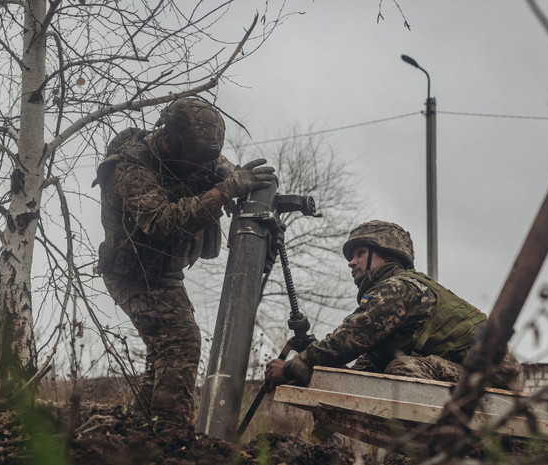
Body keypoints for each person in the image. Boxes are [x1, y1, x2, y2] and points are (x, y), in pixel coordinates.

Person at [95, 97, 276, 425]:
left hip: (166, 272)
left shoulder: (200, 154)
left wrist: (258, 197)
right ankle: (171, 434)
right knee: (181, 341)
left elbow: (237, 177)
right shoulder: (130, 166)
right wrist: (222, 192)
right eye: (191, 162)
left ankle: (142, 429)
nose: (198, 169)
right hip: (131, 274)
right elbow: (161, 221)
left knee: (164, 351)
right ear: (167, 141)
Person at [265, 220, 523, 392]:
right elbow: (361, 380)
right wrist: (306, 378)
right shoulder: (389, 308)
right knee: (388, 372)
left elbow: (349, 339)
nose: (351, 263)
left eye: (359, 254)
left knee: (402, 370)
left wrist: (293, 365)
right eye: (351, 257)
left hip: (495, 377)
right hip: (467, 374)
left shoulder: (397, 290)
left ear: (386, 254)